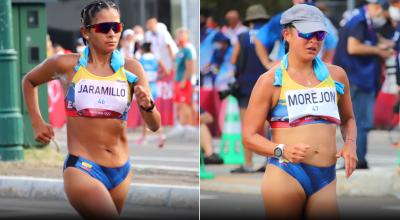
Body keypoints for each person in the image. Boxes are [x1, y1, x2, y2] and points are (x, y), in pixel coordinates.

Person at [21, 1, 160, 219]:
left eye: (117, 27)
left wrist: (148, 106)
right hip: (83, 168)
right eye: (104, 28)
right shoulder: (66, 65)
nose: (112, 33)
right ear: (86, 32)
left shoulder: (132, 69)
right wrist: (37, 122)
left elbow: (154, 125)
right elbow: (29, 81)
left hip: (121, 171)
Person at [242, 4, 357, 219]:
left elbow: (348, 118)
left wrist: (350, 143)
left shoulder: (337, 76)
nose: (313, 41)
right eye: (306, 33)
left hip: (326, 178)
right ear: (287, 34)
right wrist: (281, 150)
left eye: (319, 34)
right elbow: (249, 137)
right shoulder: (269, 81)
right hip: (286, 174)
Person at [333, 0, 393, 169]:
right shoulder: (359, 20)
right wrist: (379, 51)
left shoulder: (363, 20)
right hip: (357, 79)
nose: (382, 14)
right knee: (360, 121)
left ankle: (357, 159)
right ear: (375, 7)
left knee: (357, 121)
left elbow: (369, 39)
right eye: (381, 10)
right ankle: (356, 159)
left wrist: (384, 44)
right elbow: (353, 47)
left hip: (358, 78)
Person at [229, 4, 269, 173]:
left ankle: (248, 163)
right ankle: (270, 161)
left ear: (249, 21)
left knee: (247, 126)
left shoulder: (243, 37)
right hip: (268, 84)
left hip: (246, 86)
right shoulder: (270, 35)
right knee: (269, 124)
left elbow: (233, 60)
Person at [136, 42, 166, 147]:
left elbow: (136, 73)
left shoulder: (141, 60)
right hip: (154, 87)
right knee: (151, 111)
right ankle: (147, 136)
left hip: (145, 88)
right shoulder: (156, 59)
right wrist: (157, 77)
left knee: (146, 112)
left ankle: (157, 136)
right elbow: (166, 71)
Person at [173, 28, 196, 134]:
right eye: (179, 35)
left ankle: (187, 125)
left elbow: (189, 67)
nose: (180, 37)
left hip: (184, 81)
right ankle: (182, 124)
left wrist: (184, 80)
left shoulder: (188, 49)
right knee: (179, 104)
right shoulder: (179, 51)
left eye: (182, 35)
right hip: (178, 80)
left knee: (185, 103)